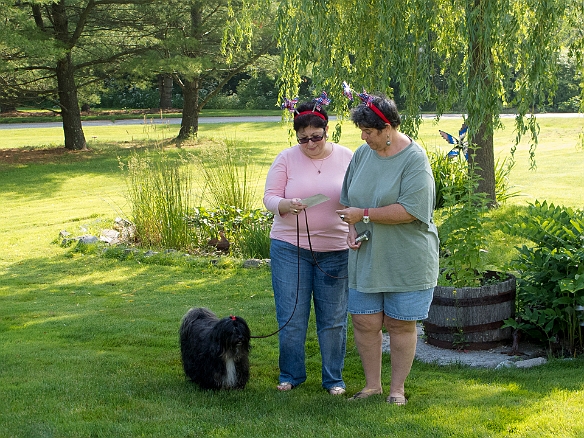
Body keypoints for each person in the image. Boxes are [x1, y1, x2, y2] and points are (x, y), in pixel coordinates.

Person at [336, 93, 439, 405]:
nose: (364, 137)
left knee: (400, 324)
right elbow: (348, 200)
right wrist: (351, 226)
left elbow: (411, 210)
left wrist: (364, 215)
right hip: (367, 256)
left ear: (388, 129)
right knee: (365, 322)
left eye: (369, 132)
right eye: (362, 132)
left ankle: (397, 390)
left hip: (405, 258)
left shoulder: (414, 159)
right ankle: (372, 386)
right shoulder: (362, 154)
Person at [263, 100, 353, 395]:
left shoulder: (347, 157)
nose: (310, 143)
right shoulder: (286, 158)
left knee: (333, 319)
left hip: (336, 249)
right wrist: (286, 205)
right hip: (290, 248)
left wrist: (355, 221)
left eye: (316, 136)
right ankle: (291, 374)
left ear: (327, 130)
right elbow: (270, 198)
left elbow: (356, 197)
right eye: (303, 139)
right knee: (291, 315)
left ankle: (333, 379)